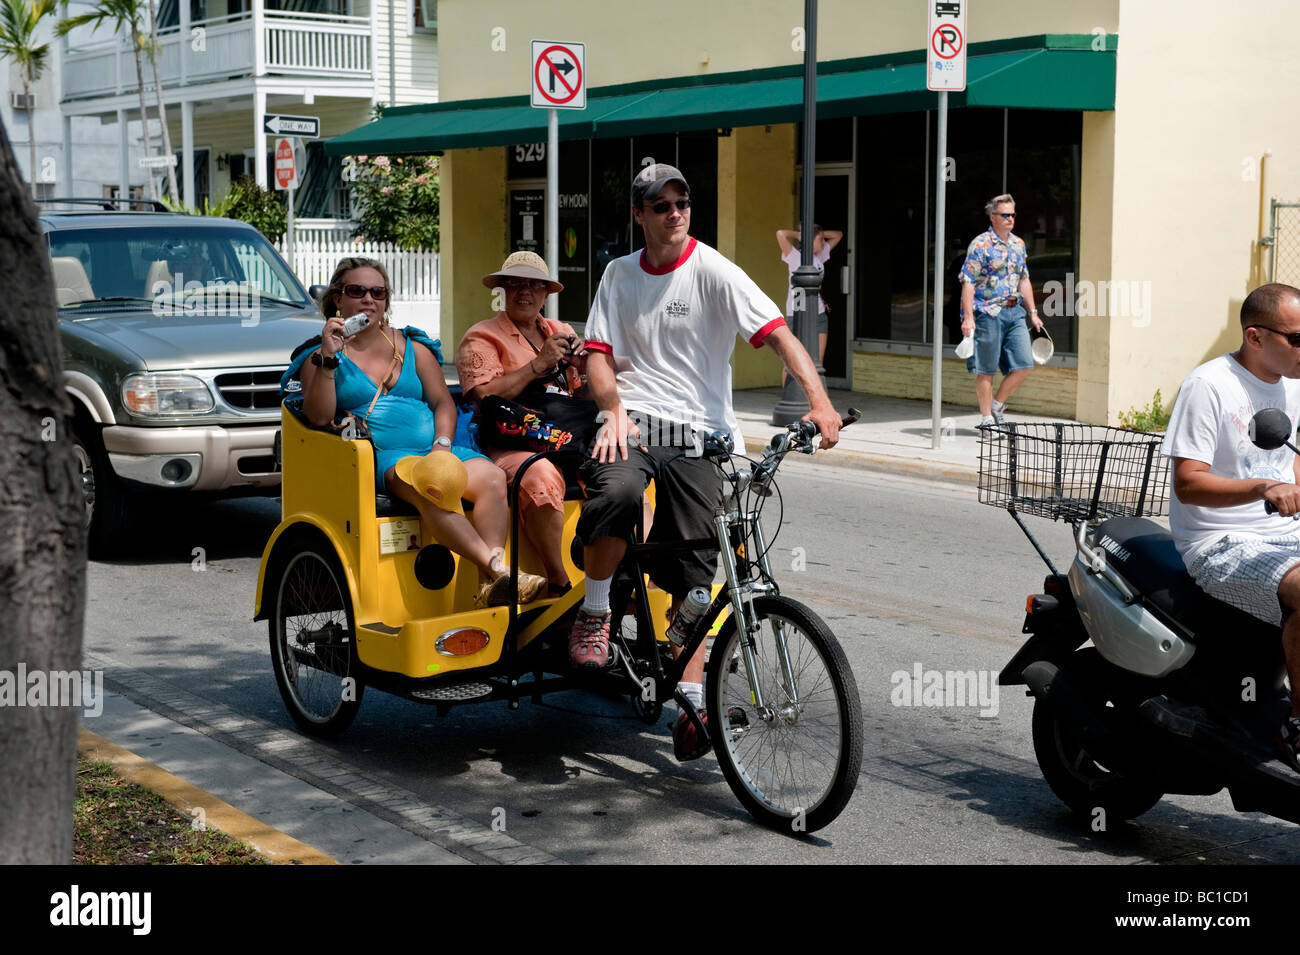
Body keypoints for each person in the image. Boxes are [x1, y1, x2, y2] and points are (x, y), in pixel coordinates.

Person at [572, 162, 841, 761]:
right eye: (660, 204)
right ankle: (594, 614)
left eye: (682, 202)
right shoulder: (619, 275)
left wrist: (819, 403)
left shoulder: (712, 269)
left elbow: (779, 333)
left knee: (700, 570)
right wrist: (612, 406)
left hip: (703, 436)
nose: (674, 212)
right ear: (639, 214)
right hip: (635, 424)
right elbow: (596, 354)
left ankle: (690, 696)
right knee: (614, 492)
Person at [297, 256, 546, 608]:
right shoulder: (320, 356)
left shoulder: (412, 346)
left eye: (378, 292)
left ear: (386, 300)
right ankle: (497, 568)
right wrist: (328, 357)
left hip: (437, 450)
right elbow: (319, 417)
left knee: (492, 478)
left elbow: (444, 404)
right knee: (436, 485)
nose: (369, 299)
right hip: (386, 457)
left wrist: (443, 446)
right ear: (338, 299)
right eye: (357, 291)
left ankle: (489, 587)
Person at [1163, 282, 1300, 768]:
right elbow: (1188, 483)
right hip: (1219, 540)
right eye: (1298, 338)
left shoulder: (1291, 385)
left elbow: (1290, 464)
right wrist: (1261, 489)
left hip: (1284, 532)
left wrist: (1287, 485)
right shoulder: (1209, 386)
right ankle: (1297, 728)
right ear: (1256, 337)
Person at [456, 251, 587, 598]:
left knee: (625, 467)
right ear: (502, 291)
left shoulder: (561, 330)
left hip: (565, 437)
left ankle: (624, 580)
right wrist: (537, 365)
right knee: (540, 475)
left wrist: (587, 366)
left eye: (533, 285)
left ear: (546, 294)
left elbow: (581, 394)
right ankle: (559, 583)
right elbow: (483, 396)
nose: (524, 292)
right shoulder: (481, 336)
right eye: (515, 284)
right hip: (512, 443)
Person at [958, 193, 1044, 426]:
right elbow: (968, 281)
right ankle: (987, 420)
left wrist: (1034, 312)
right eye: (1005, 215)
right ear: (993, 216)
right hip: (987, 313)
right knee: (986, 370)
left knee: (1024, 364)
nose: (1010, 219)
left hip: (1015, 312)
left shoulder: (1018, 244)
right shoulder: (980, 244)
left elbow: (1023, 279)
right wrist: (968, 317)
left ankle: (996, 405)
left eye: (1013, 215)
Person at [775, 224, 842, 371]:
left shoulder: (819, 256)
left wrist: (821, 233)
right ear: (809, 241)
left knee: (817, 361)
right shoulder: (794, 256)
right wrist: (800, 235)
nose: (823, 242)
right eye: (820, 239)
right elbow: (780, 233)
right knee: (792, 360)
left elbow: (838, 235)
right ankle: (789, 393)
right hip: (798, 310)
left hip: (818, 312)